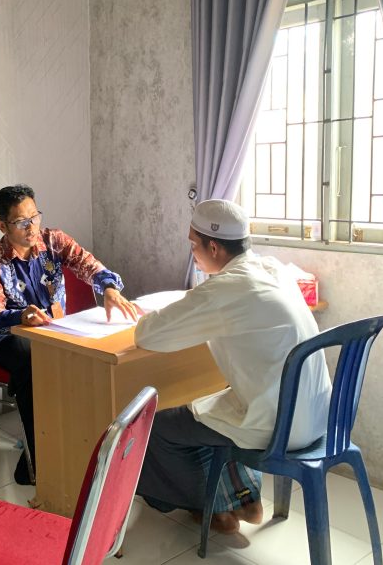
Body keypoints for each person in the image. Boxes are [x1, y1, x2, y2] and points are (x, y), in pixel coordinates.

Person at [134, 199, 332, 534]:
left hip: (278, 425)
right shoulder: (273, 270)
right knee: (204, 407)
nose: (193, 255)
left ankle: (213, 508)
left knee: (155, 428)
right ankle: (244, 499)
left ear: (213, 247)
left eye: (193, 246)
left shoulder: (226, 288)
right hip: (318, 417)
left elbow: (148, 335)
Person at [0, 184, 139, 485]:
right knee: (32, 362)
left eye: (34, 217)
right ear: (2, 226)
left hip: (57, 331)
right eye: (21, 222)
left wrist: (109, 288)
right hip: (10, 338)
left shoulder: (54, 241)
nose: (31, 227)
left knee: (96, 356)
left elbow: (89, 265)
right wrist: (21, 316)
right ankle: (38, 464)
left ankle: (86, 448)